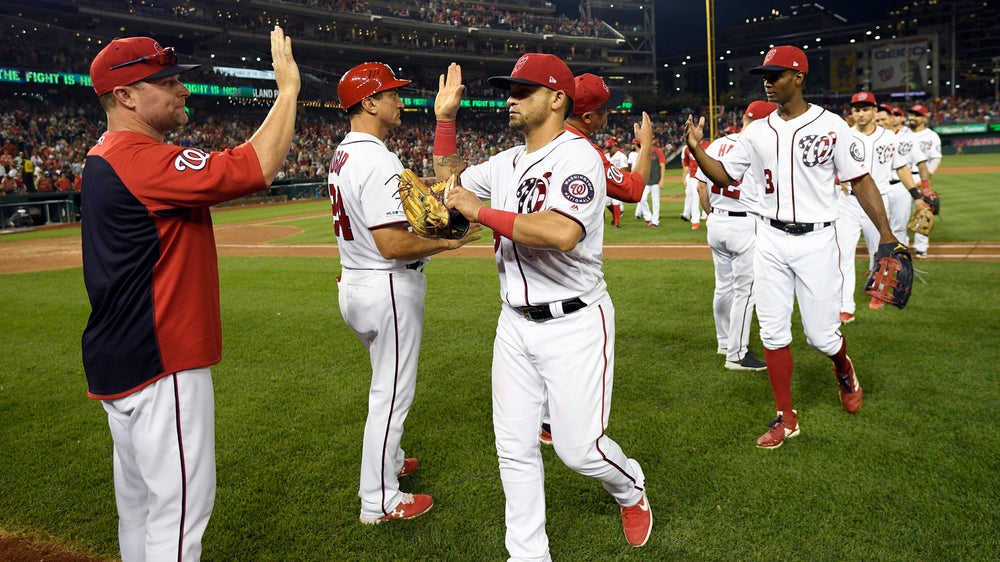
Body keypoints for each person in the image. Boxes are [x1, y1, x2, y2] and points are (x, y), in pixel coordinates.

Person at [80, 27, 299, 561]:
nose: (183, 90)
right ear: (126, 96)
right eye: (167, 82)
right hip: (162, 359)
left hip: (119, 359)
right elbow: (254, 166)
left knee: (138, 512)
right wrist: (288, 91)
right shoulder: (137, 158)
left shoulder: (102, 154)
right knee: (178, 520)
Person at [435, 56, 652, 558]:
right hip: (513, 322)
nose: (510, 99)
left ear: (557, 99)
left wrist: (480, 211)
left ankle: (630, 488)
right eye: (510, 91)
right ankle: (528, 555)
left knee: (580, 451)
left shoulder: (580, 157)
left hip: (575, 322)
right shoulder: (506, 161)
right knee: (513, 449)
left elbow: (561, 232)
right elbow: (451, 186)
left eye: (523, 91)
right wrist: (446, 120)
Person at [684, 46, 904, 449]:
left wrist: (886, 235)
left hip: (817, 239)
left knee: (822, 337)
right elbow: (724, 177)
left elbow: (860, 180)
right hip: (769, 237)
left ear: (799, 77)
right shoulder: (756, 131)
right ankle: (786, 417)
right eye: (765, 76)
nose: (768, 82)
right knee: (772, 332)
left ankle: (843, 367)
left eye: (776, 75)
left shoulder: (832, 125)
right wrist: (698, 149)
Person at [329, 62, 481, 525]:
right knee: (391, 395)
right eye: (391, 94)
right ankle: (378, 500)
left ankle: (391, 461)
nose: (400, 100)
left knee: (385, 383)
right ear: (369, 102)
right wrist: (448, 243)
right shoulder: (377, 159)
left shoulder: (344, 153)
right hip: (387, 285)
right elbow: (392, 244)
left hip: (355, 282)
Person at [695, 100, 777, 371]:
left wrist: (712, 214)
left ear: (744, 119)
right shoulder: (761, 148)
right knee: (745, 291)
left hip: (717, 220)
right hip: (745, 223)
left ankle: (723, 342)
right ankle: (737, 354)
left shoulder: (717, 144)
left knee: (723, 286)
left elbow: (700, 187)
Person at [837, 93, 922, 323]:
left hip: (878, 203)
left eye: (865, 109)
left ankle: (878, 293)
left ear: (875, 111)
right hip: (848, 202)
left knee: (880, 252)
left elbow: (902, 168)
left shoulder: (889, 137)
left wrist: (917, 196)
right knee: (843, 254)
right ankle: (846, 305)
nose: (861, 113)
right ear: (852, 112)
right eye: (857, 109)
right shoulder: (844, 136)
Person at [875, 104, 930, 248]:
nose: (881, 123)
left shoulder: (907, 138)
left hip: (900, 186)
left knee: (899, 227)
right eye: (878, 120)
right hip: (878, 188)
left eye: (884, 119)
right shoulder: (870, 139)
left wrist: (925, 188)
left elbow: (920, 164)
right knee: (877, 228)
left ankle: (900, 256)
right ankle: (880, 257)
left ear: (892, 119)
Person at [907, 103, 942, 259]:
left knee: (923, 214)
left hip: (920, 177)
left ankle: (921, 248)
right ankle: (900, 246)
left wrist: (926, 177)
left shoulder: (931, 136)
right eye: (911, 114)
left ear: (924, 118)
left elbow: (936, 158)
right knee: (897, 215)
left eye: (917, 115)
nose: (912, 117)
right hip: (901, 177)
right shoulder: (903, 134)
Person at [633, 138, 666, 227]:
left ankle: (655, 221)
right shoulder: (643, 152)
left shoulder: (658, 152)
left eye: (652, 139)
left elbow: (662, 165)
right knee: (642, 199)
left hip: (656, 180)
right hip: (645, 181)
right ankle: (648, 218)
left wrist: (662, 179)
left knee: (655, 202)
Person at [681, 135, 710, 229]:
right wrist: (684, 177)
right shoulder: (687, 148)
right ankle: (695, 221)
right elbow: (686, 164)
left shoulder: (709, 145)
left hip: (707, 175)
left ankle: (708, 216)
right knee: (695, 198)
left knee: (709, 196)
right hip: (693, 176)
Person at [604, 137, 627, 227]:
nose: (609, 150)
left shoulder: (621, 156)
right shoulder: (605, 156)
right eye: (607, 148)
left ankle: (617, 222)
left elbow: (624, 169)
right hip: (608, 183)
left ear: (614, 146)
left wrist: (614, 175)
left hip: (618, 182)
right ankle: (615, 216)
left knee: (616, 201)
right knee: (607, 202)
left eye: (610, 148)